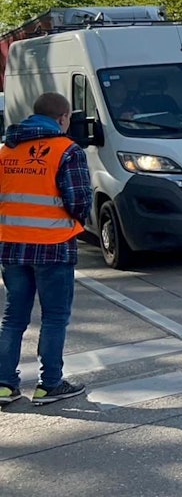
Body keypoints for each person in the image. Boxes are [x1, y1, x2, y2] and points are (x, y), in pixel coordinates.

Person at [0, 93, 92, 407]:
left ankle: (3, 384)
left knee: (13, 317)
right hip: (53, 246)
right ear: (64, 117)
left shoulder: (6, 150)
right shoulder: (67, 150)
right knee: (54, 317)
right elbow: (79, 200)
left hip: (11, 244)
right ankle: (49, 384)